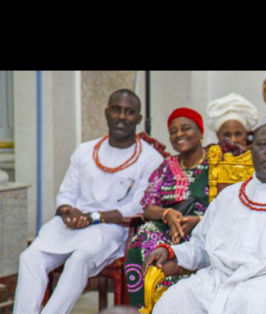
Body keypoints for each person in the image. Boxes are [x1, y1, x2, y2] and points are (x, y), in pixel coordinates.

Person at [143, 123, 266, 314]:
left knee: (257, 306)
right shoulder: (229, 196)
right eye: (262, 145)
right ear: (251, 150)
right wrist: (170, 252)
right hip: (214, 281)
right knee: (176, 298)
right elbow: (200, 247)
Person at [14, 89, 164, 314]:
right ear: (106, 113)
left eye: (129, 112)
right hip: (72, 223)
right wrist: (68, 212)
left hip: (110, 228)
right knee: (30, 257)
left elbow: (138, 206)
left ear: (139, 119)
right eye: (116, 109)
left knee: (80, 258)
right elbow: (66, 194)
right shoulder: (85, 151)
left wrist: (94, 218)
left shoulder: (150, 158)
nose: (122, 116)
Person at [124, 108, 210, 308]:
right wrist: (167, 213)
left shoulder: (216, 163)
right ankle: (146, 306)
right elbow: (148, 207)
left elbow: (228, 208)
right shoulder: (166, 166)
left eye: (186, 128)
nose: (179, 134)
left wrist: (200, 221)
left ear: (201, 133)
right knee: (146, 235)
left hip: (205, 228)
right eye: (174, 131)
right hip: (168, 228)